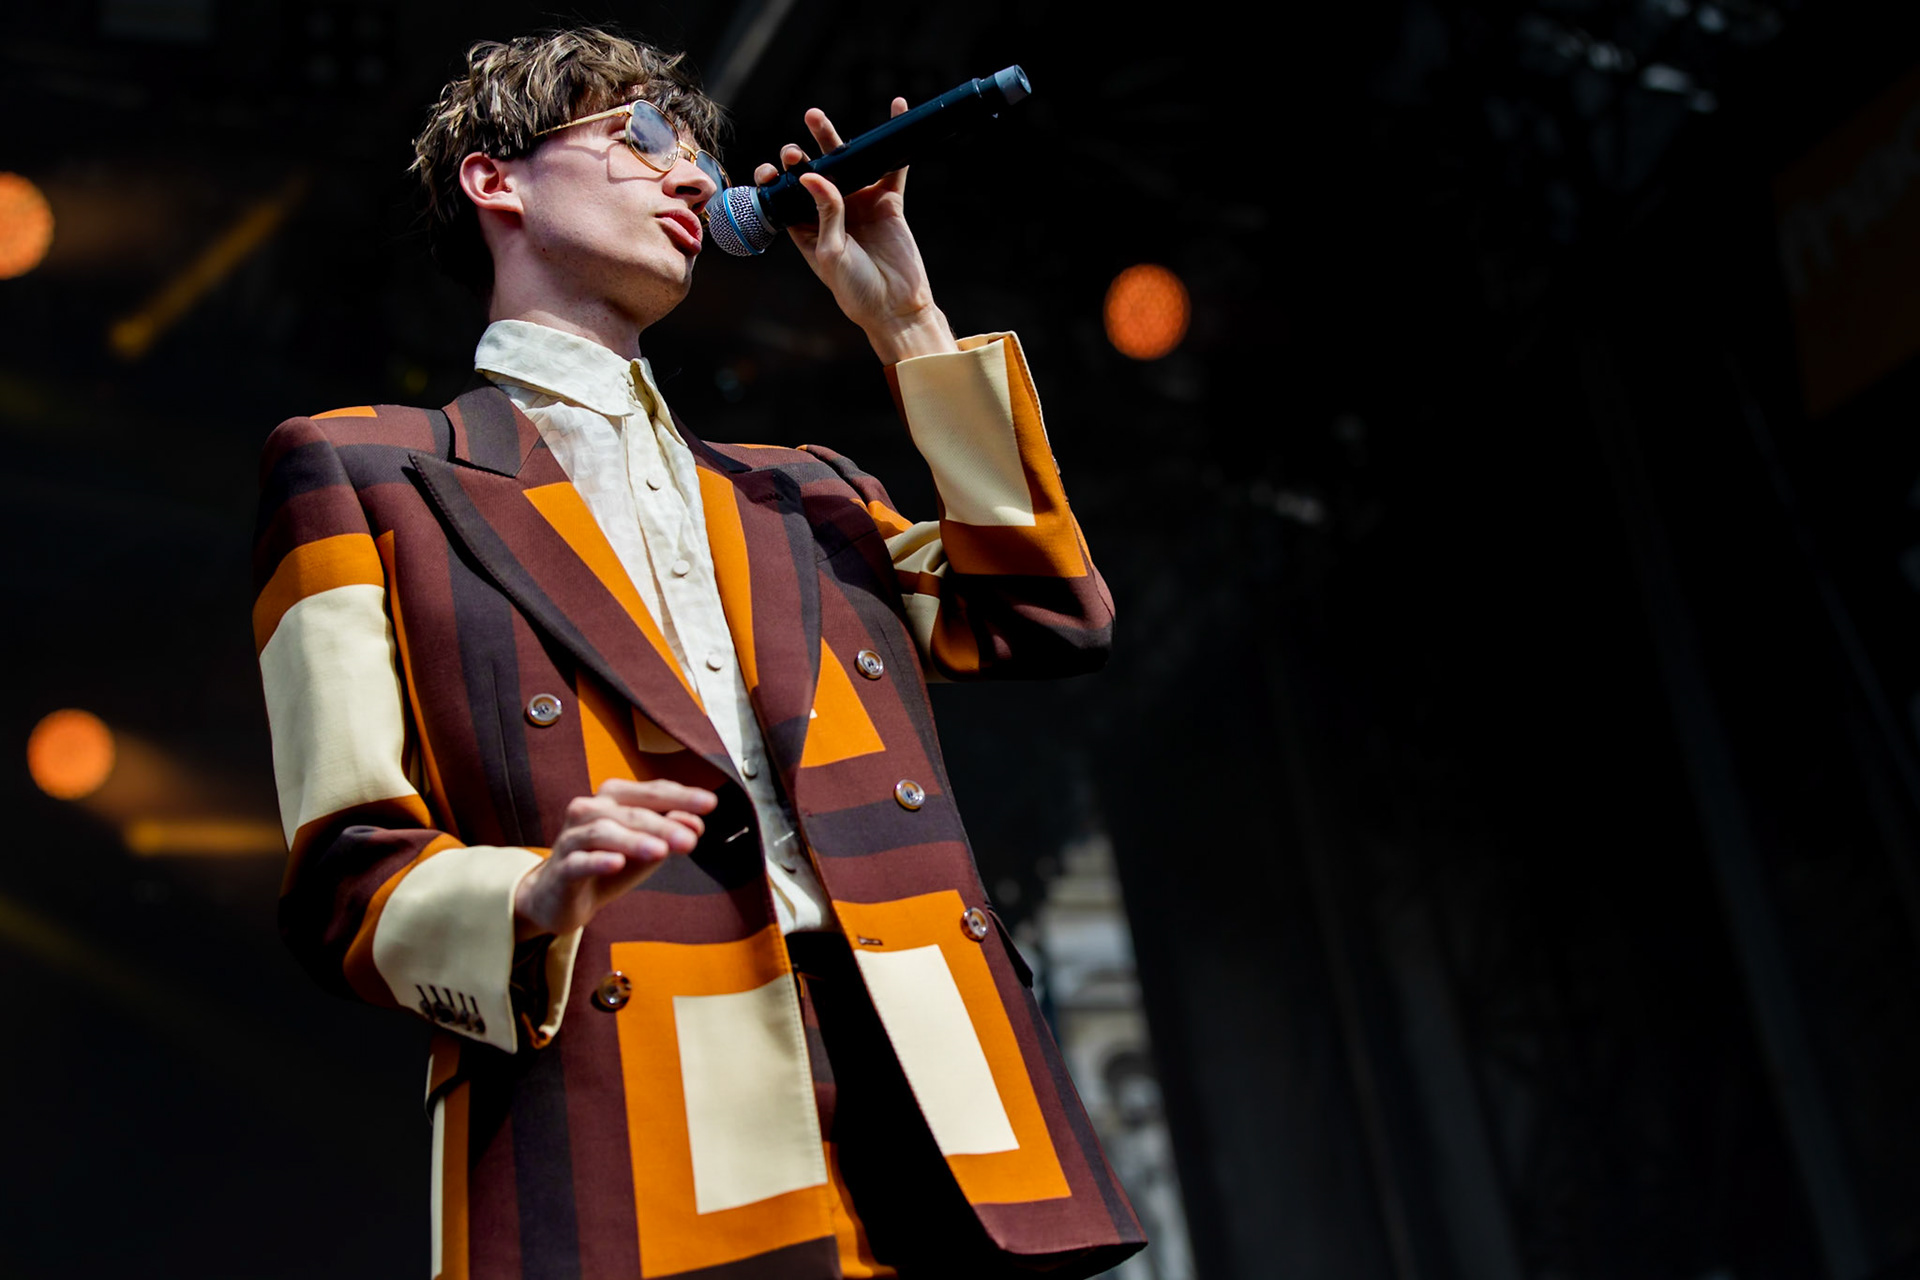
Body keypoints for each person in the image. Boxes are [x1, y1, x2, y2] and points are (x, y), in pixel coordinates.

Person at [253, 26, 1144, 1280]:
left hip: (938, 1084)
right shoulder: (365, 471)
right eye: (643, 138)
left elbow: (1048, 614)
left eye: (698, 152)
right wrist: (528, 895)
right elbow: (347, 873)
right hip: (634, 1093)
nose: (689, 174)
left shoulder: (804, 491)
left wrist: (912, 327)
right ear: (494, 179)